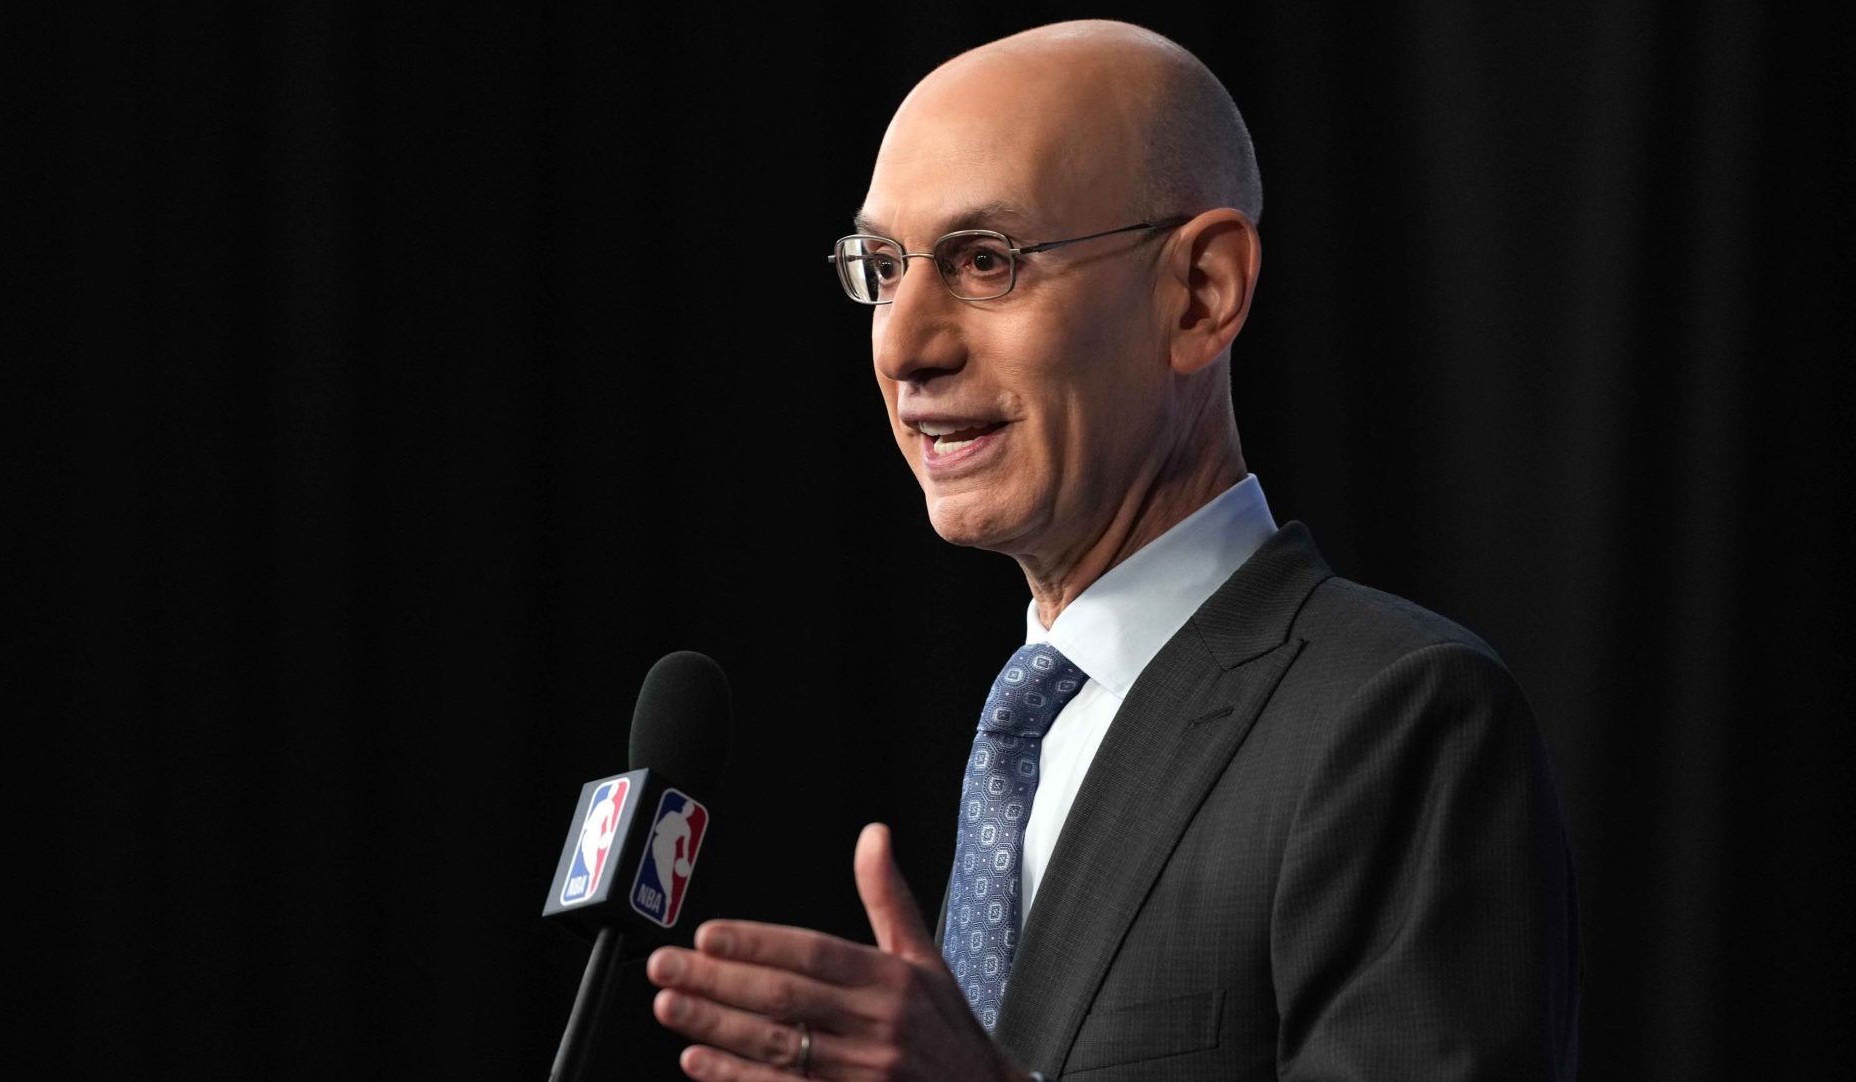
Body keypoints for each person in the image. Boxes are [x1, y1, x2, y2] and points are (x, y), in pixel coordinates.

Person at [645, 19, 1579, 1081]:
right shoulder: (1027, 730)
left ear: (1201, 294)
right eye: (886, 268)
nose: (904, 346)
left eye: (985, 261)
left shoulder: (1398, 718)